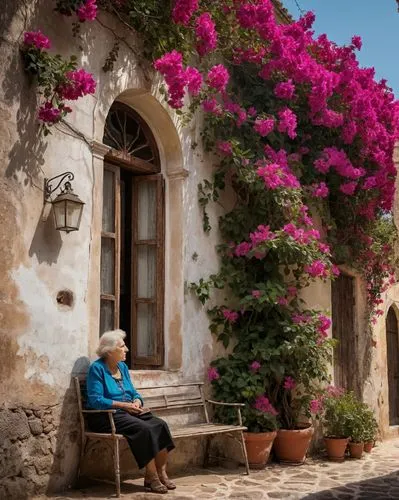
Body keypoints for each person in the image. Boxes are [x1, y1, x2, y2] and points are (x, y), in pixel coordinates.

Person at [86, 329, 175, 494]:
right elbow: (95, 400)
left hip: (127, 412)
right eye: (122, 346)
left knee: (161, 425)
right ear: (110, 351)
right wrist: (122, 405)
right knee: (144, 429)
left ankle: (162, 473)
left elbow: (133, 392)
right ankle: (151, 476)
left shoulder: (123, 367)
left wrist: (136, 401)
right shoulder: (97, 369)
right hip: (106, 416)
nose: (126, 349)